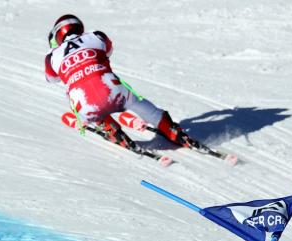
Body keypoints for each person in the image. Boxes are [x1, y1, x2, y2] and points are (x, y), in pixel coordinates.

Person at [44, 14, 198, 149]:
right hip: (113, 90)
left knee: (79, 96)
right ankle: (169, 128)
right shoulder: (96, 36)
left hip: (85, 107)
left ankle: (110, 129)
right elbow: (108, 50)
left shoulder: (51, 57)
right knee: (137, 101)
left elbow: (51, 79)